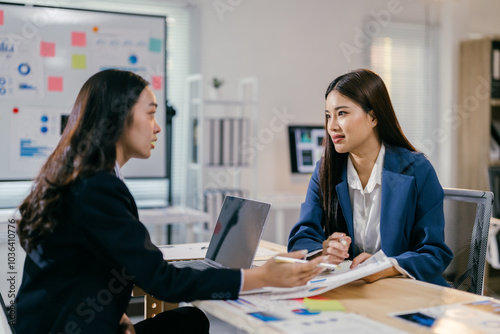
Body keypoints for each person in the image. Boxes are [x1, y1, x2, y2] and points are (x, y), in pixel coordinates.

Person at [14, 69, 325, 334]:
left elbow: (80, 266)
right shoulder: (97, 186)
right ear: (119, 118)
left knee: (190, 320)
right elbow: (162, 282)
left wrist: (114, 313)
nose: (157, 126)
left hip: (60, 322)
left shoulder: (80, 174)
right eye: (150, 114)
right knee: (194, 322)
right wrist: (262, 277)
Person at [288, 69, 453, 287]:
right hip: (355, 289)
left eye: (342, 113)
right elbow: (301, 238)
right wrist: (323, 250)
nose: (331, 126)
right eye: (328, 115)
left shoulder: (417, 170)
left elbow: (434, 253)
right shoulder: (325, 172)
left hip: (407, 292)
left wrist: (385, 266)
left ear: (373, 116)